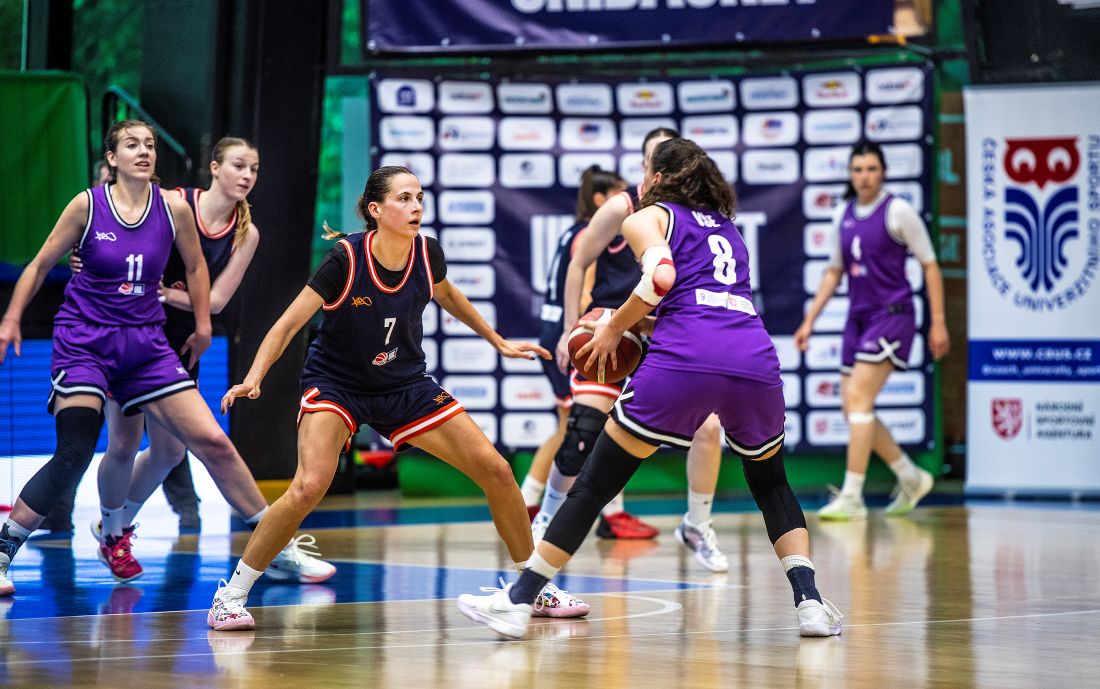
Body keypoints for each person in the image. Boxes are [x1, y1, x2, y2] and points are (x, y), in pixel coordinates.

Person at [458, 139, 844, 639]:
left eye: (644, 169)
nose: (639, 178)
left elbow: (661, 276)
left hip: (687, 360)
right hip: (753, 358)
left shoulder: (648, 216)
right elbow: (703, 301)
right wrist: (640, 325)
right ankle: (810, 604)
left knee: (595, 485)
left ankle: (517, 602)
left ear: (658, 177)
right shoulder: (728, 231)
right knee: (771, 483)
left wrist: (613, 328)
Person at [206, 166, 588, 630]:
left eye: (419, 198)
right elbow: (288, 325)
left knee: (497, 470)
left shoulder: (427, 253)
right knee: (309, 486)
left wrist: (497, 341)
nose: (416, 207)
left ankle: (532, 588)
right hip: (338, 385)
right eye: (404, 199)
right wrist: (254, 377)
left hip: (404, 385)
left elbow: (449, 295)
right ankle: (231, 595)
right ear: (376, 209)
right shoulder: (346, 259)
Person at [45, 137, 262, 536]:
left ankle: (114, 524)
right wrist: (87, 259)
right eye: (238, 166)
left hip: (179, 341)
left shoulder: (246, 234)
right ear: (215, 168)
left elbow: (214, 302)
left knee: (171, 451)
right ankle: (90, 520)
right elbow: (111, 232)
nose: (247, 175)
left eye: (253, 169)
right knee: (116, 443)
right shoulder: (175, 202)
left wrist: (162, 293)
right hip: (132, 331)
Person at [539, 127, 727, 572]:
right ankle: (544, 519)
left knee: (709, 428)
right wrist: (569, 327)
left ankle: (697, 524)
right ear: (645, 166)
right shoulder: (622, 206)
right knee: (583, 432)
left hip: (663, 333)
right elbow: (579, 262)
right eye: (653, 158)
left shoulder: (695, 214)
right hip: (612, 330)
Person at [794, 141, 949, 520]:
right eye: (858, 169)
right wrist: (810, 320)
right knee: (853, 408)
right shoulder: (842, 214)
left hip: (892, 316)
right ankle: (910, 476)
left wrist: (939, 322)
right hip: (858, 318)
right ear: (850, 174)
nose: (864, 176)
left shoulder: (898, 211)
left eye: (871, 169)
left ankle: (852, 496)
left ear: (883, 173)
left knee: (859, 402)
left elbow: (930, 265)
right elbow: (834, 271)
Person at [519, 165, 624, 520]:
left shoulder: (573, 231)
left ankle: (606, 512)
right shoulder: (597, 233)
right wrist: (575, 331)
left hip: (555, 331)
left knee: (584, 423)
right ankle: (532, 502)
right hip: (571, 334)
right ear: (600, 198)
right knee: (580, 425)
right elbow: (584, 293)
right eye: (619, 193)